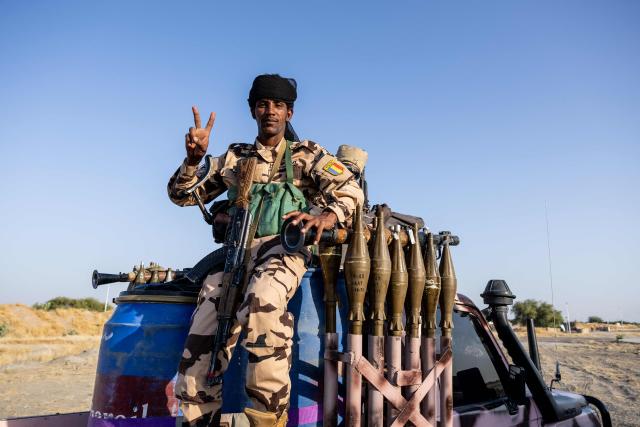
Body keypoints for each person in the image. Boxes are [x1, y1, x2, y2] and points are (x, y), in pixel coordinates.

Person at [167, 74, 364, 427]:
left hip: (283, 251)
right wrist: (192, 160)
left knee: (263, 302)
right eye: (262, 104)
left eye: (277, 105)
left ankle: (267, 418)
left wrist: (325, 216)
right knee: (203, 331)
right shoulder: (235, 158)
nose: (269, 111)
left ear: (289, 112)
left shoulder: (307, 154)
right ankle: (198, 418)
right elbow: (182, 195)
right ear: (253, 111)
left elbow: (350, 191)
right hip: (235, 255)